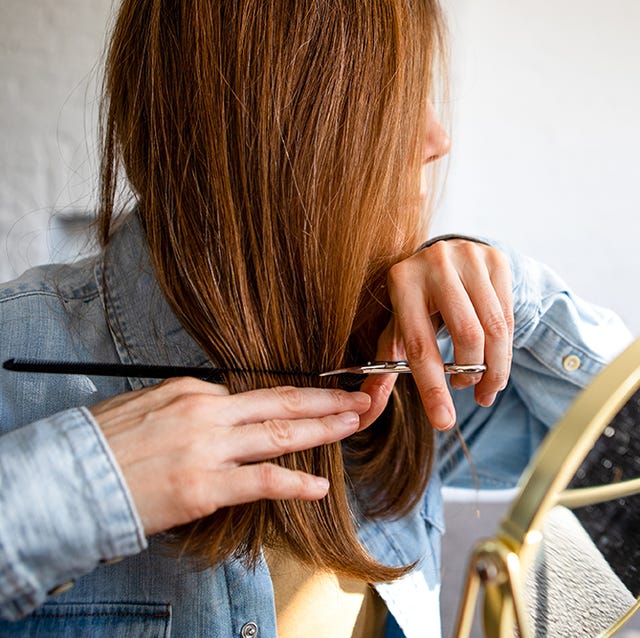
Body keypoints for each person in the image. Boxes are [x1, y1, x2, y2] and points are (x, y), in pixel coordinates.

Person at [0, 1, 632, 636]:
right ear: (279, 131)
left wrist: (513, 302)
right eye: (394, 95)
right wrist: (78, 488)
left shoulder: (403, 366)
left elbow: (623, 466)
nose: (438, 140)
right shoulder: (16, 357)